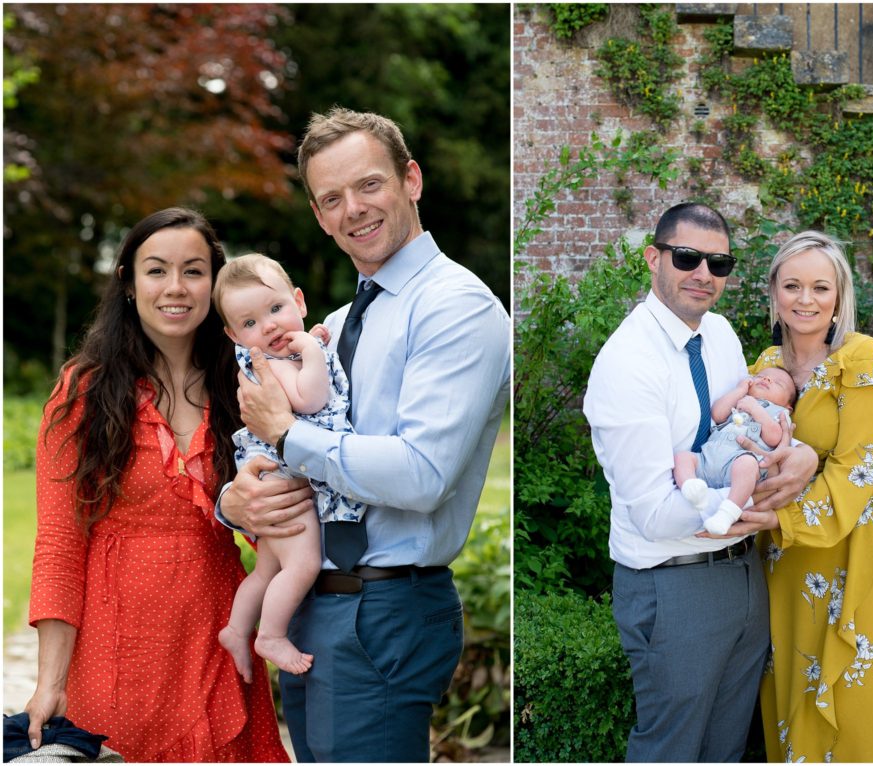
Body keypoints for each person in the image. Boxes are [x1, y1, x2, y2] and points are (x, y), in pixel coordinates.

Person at [217, 106, 511, 762]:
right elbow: (279, 449)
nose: (353, 208)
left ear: (411, 179)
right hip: (313, 599)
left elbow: (422, 475)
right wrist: (236, 502)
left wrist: (289, 435)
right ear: (320, 217)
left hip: (383, 607)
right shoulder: (335, 321)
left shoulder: (456, 307)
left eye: (369, 184)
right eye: (331, 198)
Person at [27, 208, 289, 762]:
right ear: (127, 282)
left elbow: (286, 510)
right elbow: (57, 545)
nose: (176, 287)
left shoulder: (246, 385)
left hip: (218, 633)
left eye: (194, 271)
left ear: (214, 285)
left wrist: (244, 512)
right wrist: (50, 682)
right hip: (115, 648)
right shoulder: (84, 392)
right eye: (156, 270)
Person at [582, 202, 819, 762]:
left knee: (726, 748)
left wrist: (799, 454)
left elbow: (747, 433)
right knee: (671, 749)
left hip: (742, 571)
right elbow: (657, 514)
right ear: (653, 258)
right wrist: (754, 495)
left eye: (719, 263)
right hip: (674, 583)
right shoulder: (627, 362)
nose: (703, 274)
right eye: (687, 257)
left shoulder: (719, 335)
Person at [737, 231, 873, 761]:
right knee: (801, 704)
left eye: (820, 286)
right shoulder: (764, 364)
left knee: (872, 712)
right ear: (774, 293)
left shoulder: (862, 357)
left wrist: (770, 518)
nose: (806, 299)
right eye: (792, 285)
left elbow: (860, 467)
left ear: (840, 296)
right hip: (792, 563)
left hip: (864, 553)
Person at [213, 253, 367, 681]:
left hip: (271, 474)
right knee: (301, 564)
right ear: (234, 336)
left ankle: (237, 627)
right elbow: (310, 400)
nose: (269, 327)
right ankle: (271, 636)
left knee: (267, 568)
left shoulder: (278, 356)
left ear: (299, 302)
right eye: (249, 324)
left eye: (276, 309)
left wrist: (309, 343)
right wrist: (314, 351)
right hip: (285, 479)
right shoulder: (269, 365)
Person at [674, 367, 798, 535]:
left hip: (739, 464)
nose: (767, 379)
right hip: (709, 457)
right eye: (761, 376)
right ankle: (691, 487)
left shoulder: (779, 413)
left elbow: (775, 438)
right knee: (682, 458)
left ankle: (727, 513)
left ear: (788, 406)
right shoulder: (740, 399)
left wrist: (755, 409)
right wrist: (740, 390)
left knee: (747, 464)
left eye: (778, 383)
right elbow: (717, 414)